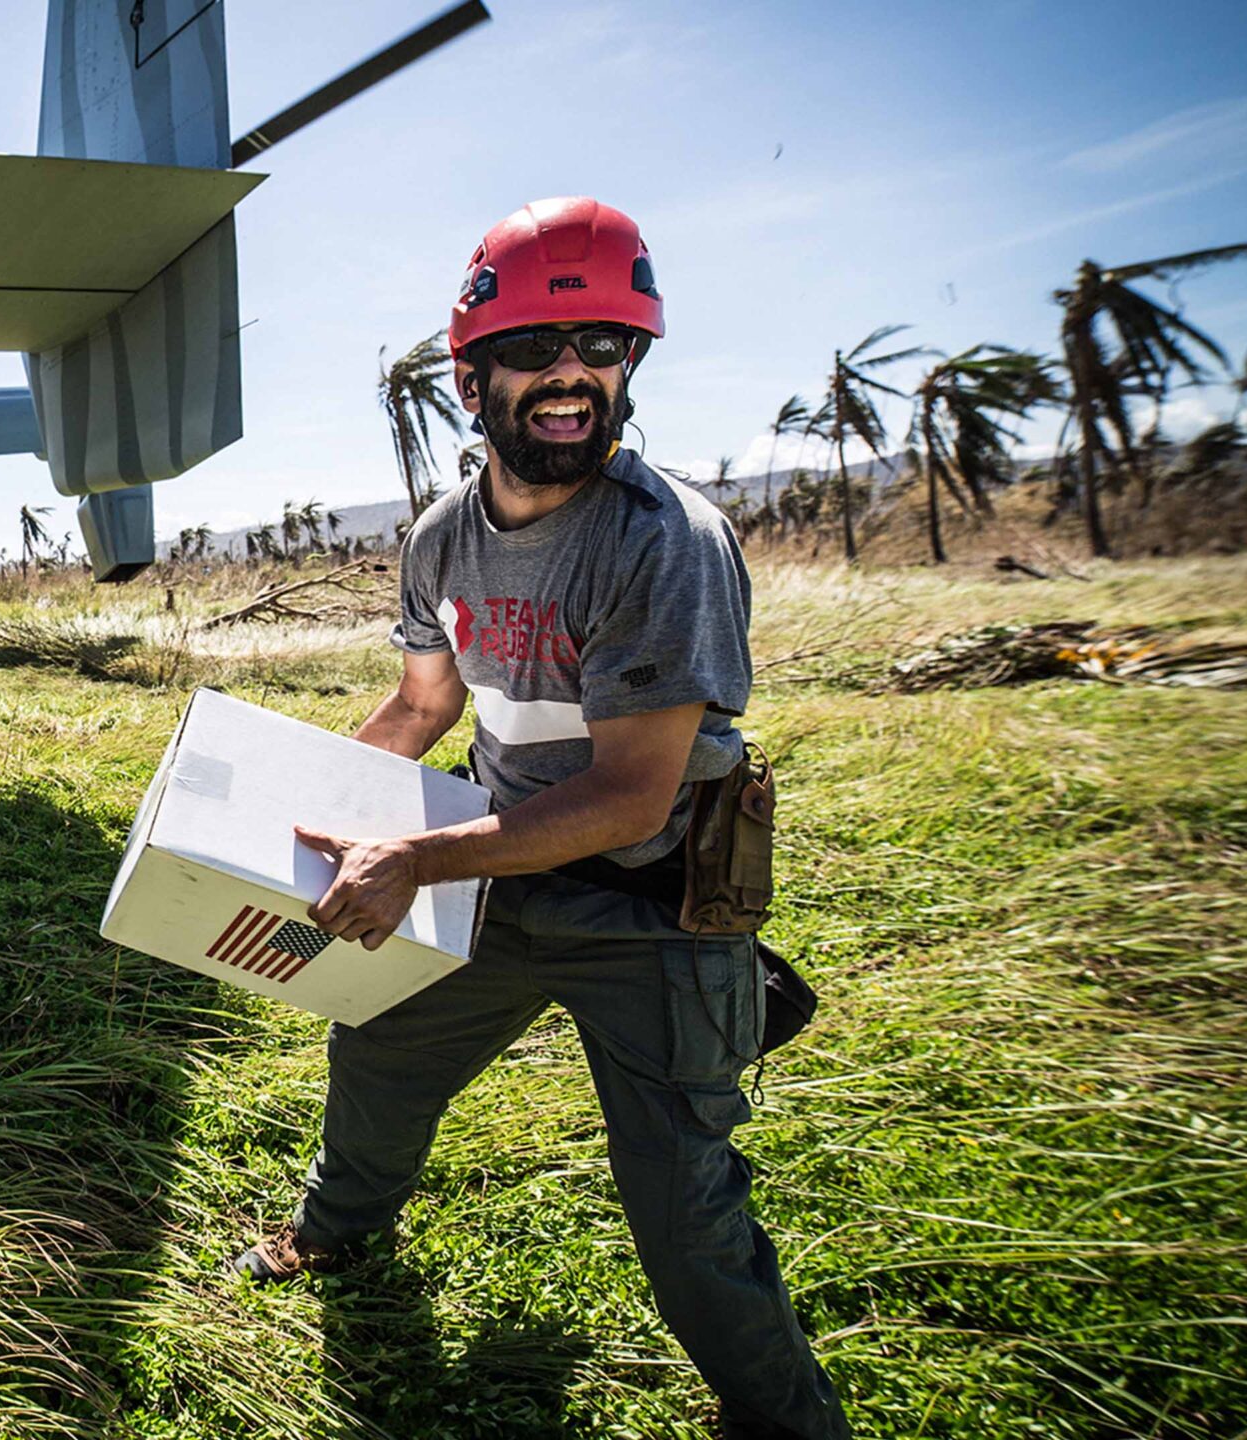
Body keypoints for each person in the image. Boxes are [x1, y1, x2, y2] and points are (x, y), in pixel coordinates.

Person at [226, 199, 850, 1440]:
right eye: (535, 345)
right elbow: (418, 708)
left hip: (653, 906)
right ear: (473, 377)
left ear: (631, 365)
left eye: (603, 344)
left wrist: (407, 855)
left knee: (684, 1214)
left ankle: (788, 1421)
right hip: (496, 879)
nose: (571, 372)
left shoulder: (667, 542)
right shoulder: (440, 543)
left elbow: (633, 792)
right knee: (378, 1057)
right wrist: (273, 815)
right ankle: (336, 1232)